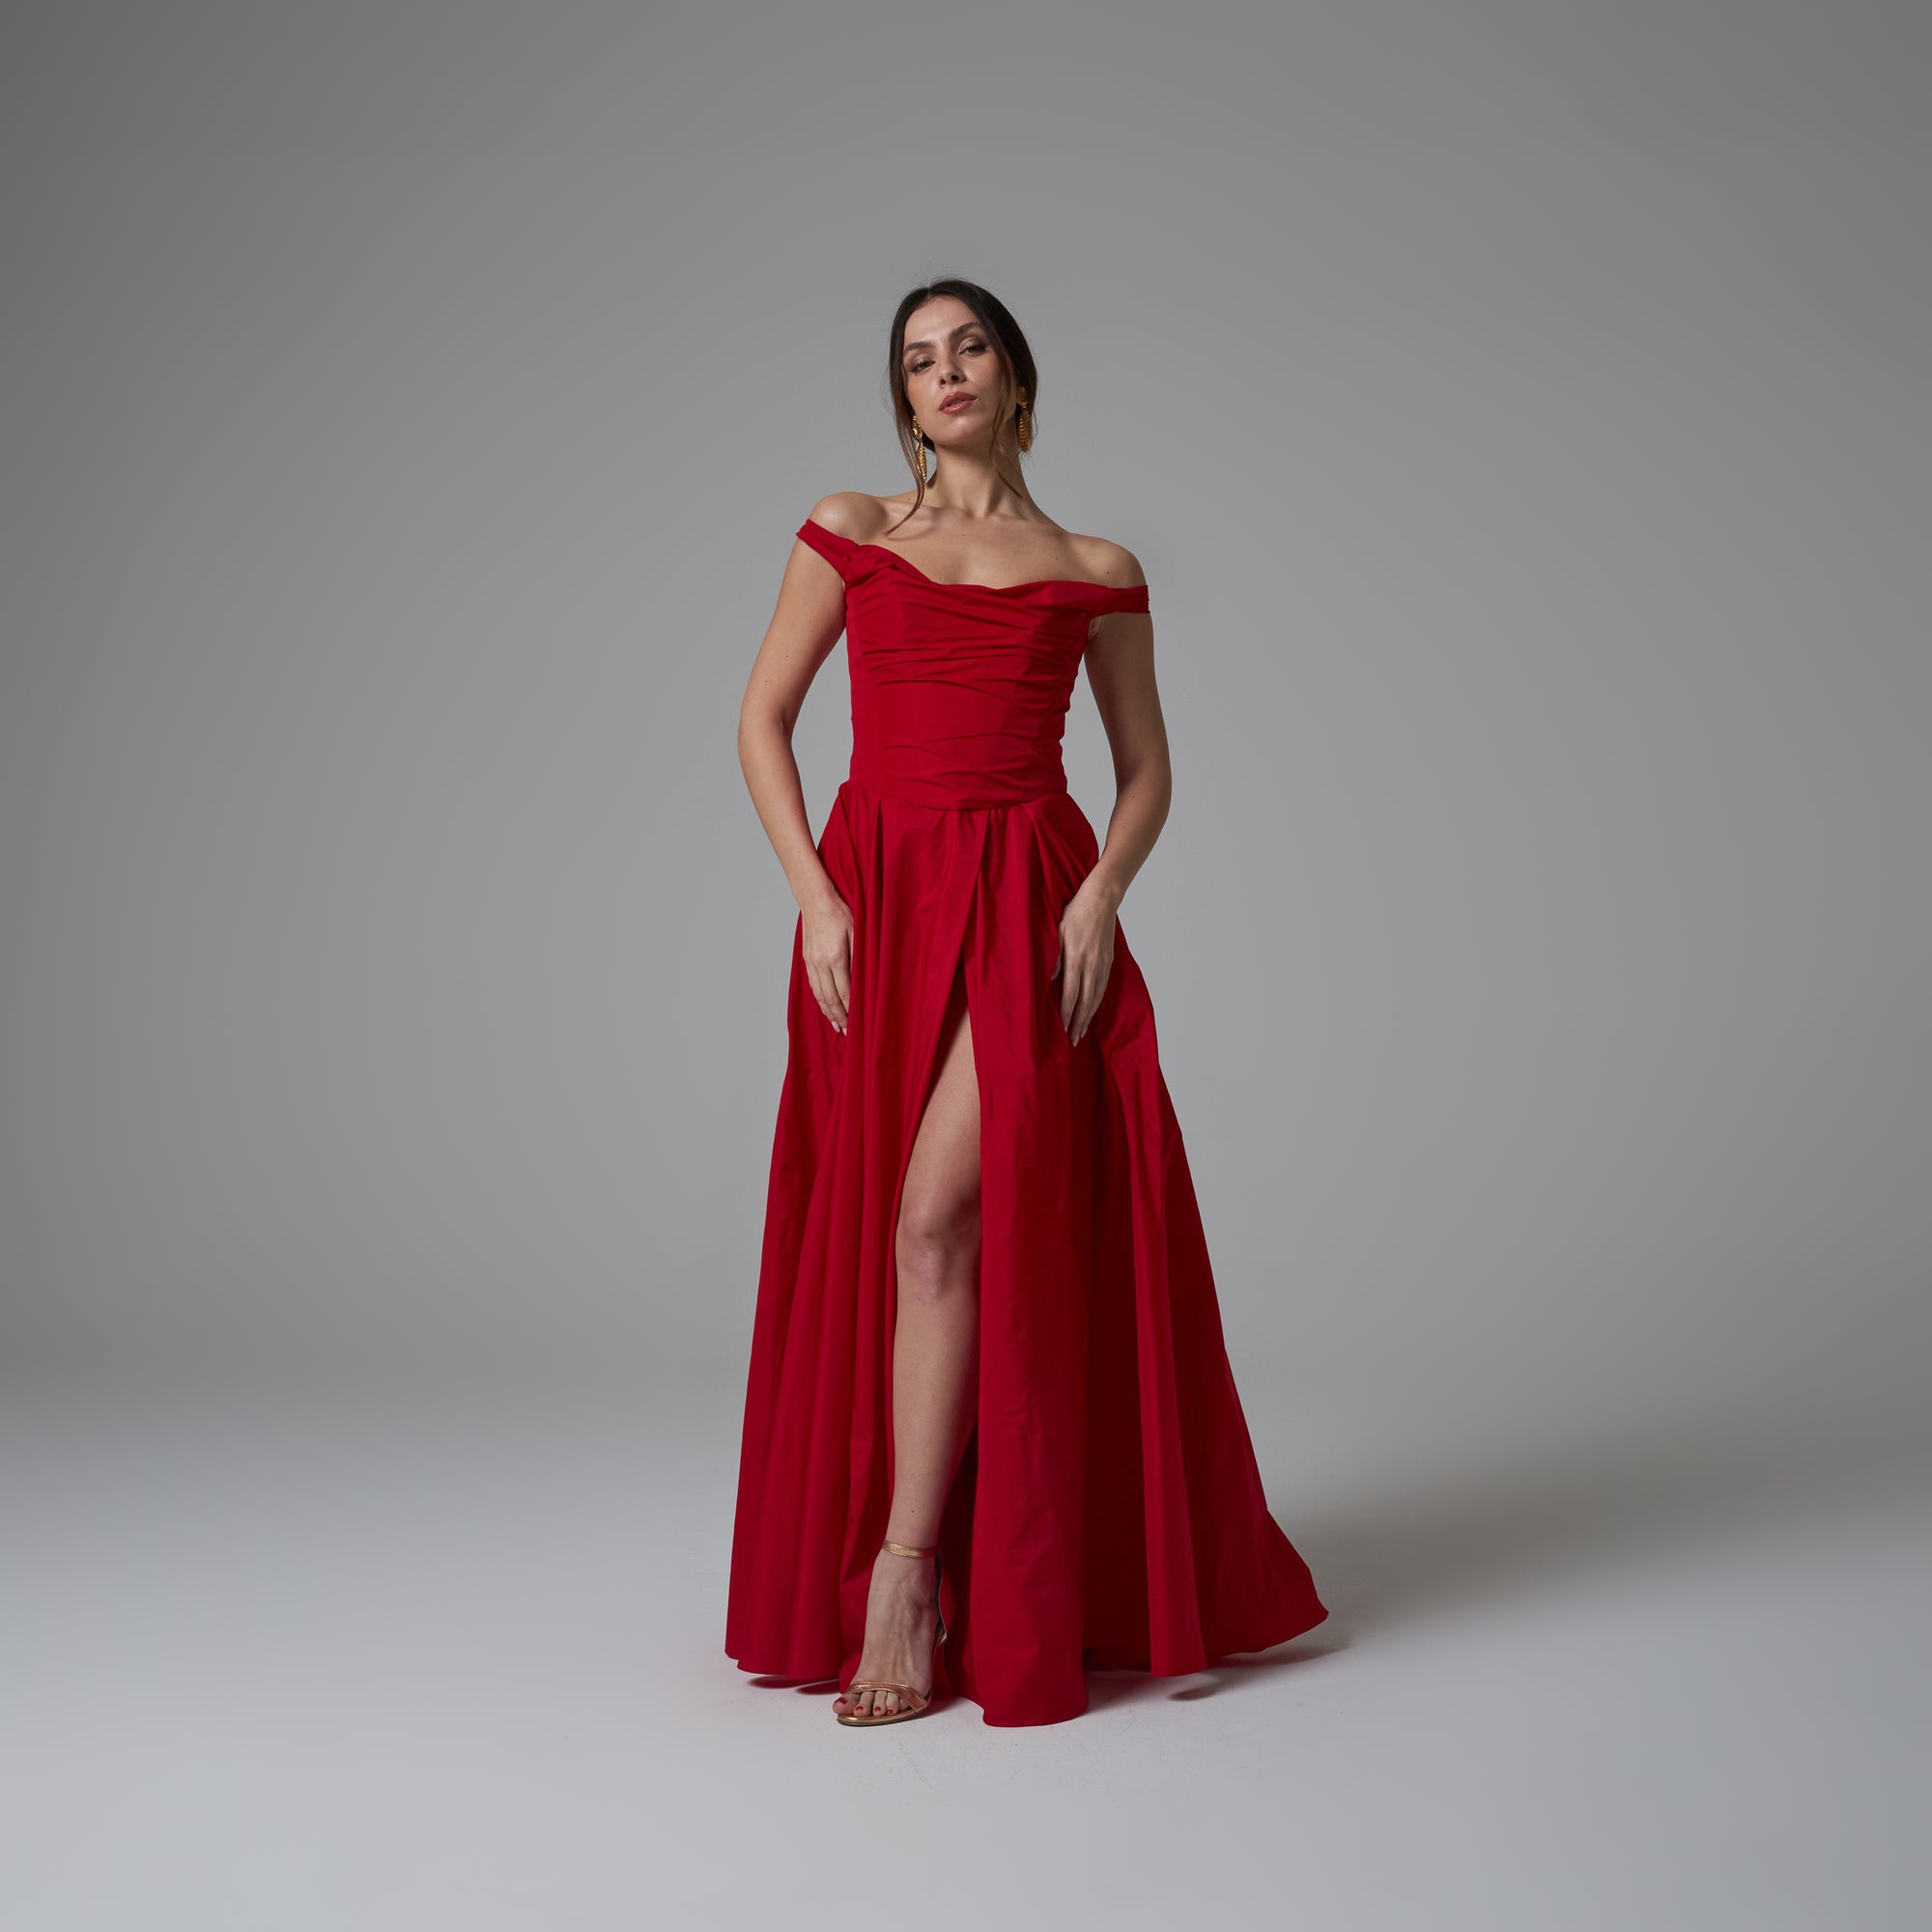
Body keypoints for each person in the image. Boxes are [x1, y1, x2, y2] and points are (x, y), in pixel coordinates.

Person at [727, 278, 1327, 1728]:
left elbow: (1147, 771)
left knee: (937, 1218)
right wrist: (816, 896)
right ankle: (925, 1565)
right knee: (891, 1234)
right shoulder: (855, 532)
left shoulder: (1094, 565)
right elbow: (762, 720)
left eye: (970, 347)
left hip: (1026, 915)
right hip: (883, 902)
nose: (945, 373)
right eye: (918, 359)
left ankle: (907, 1577)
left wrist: (1099, 896)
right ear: (902, 398)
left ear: (1014, 376)